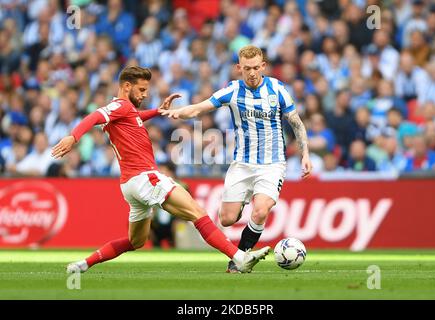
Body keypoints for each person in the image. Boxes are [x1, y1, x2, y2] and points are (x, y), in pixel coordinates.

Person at [52, 66, 270, 274]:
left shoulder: (126, 112)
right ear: (127, 86)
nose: (146, 94)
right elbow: (95, 116)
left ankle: (83, 264)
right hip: (145, 177)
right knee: (197, 213)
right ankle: (239, 257)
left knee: (135, 241)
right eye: (142, 89)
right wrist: (74, 137)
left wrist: (158, 110)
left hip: (129, 184)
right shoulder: (120, 106)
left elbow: (135, 117)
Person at [161, 45, 312, 273]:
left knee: (261, 211)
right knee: (227, 219)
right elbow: (199, 109)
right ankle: (240, 205)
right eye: (247, 68)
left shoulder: (277, 89)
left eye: (256, 68)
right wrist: (175, 112)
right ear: (238, 68)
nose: (252, 73)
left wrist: (305, 154)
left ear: (263, 66)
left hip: (272, 164)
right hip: (242, 164)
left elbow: (296, 122)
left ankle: (238, 260)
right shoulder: (232, 91)